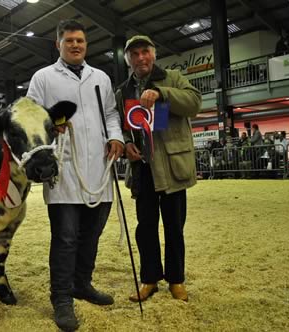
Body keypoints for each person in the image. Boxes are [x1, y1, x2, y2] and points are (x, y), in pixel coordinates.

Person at [26, 20, 124, 331]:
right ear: (58, 44)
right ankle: (62, 298)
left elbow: (110, 113)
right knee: (66, 238)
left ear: (86, 44)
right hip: (65, 168)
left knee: (91, 234)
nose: (76, 45)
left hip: (99, 168)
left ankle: (83, 283)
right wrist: (49, 125)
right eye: (69, 41)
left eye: (80, 40)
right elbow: (29, 117)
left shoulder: (101, 78)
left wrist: (116, 137)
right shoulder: (43, 78)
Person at [115, 35, 201, 303]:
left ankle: (176, 280)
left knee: (175, 226)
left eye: (145, 52)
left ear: (154, 54)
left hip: (172, 166)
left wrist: (163, 93)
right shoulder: (123, 91)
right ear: (128, 59)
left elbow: (194, 103)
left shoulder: (173, 78)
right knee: (146, 228)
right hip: (142, 169)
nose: (141, 58)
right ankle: (150, 279)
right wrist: (127, 144)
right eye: (135, 54)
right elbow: (121, 126)